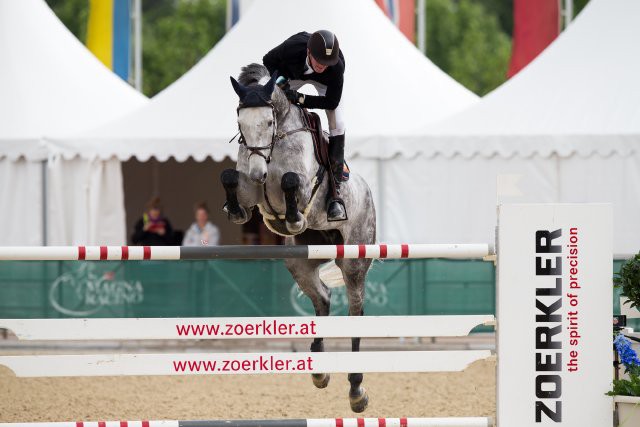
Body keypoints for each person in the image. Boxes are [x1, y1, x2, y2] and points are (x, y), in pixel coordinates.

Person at [263, 30, 348, 222]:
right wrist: (282, 83)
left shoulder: (335, 67)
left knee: (339, 123)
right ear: (308, 52)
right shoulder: (293, 47)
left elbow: (331, 102)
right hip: (292, 77)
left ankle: (336, 195)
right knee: (269, 100)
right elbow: (267, 61)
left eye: (326, 63)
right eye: (318, 60)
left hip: (325, 89)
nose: (322, 66)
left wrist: (302, 99)